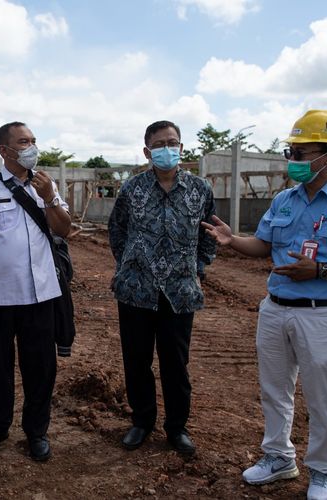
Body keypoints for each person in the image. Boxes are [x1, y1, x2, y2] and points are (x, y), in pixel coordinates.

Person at [202, 110, 327, 500]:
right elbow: (263, 246)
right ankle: (278, 457)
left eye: (301, 152)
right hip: (275, 308)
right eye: (291, 150)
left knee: (323, 398)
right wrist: (232, 239)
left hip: (323, 314)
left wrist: (322, 271)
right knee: (274, 389)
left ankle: (324, 471)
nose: (294, 159)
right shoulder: (284, 200)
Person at [0, 121, 71, 461]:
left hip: (42, 296)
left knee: (41, 368)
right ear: (5, 151)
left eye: (34, 140)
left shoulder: (46, 185)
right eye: (24, 141)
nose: (32, 146)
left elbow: (65, 229)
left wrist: (50, 197)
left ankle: (37, 432)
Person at [108, 120, 216, 455]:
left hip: (179, 294)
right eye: (159, 144)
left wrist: (194, 268)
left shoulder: (200, 190)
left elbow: (210, 236)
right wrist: (132, 265)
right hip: (135, 292)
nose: (166, 148)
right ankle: (142, 422)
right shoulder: (132, 189)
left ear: (181, 148)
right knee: (137, 361)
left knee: (175, 363)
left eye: (172, 142)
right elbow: (117, 231)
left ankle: (176, 428)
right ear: (147, 151)